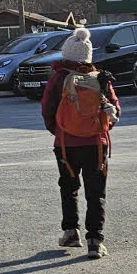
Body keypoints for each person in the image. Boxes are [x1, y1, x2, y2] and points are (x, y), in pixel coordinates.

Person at [40, 26, 121, 258]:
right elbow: (116, 109)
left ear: (66, 54)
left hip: (66, 144)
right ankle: (95, 240)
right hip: (96, 144)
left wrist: (60, 130)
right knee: (96, 192)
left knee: (69, 187)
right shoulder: (100, 78)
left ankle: (71, 232)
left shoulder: (59, 79)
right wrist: (101, 128)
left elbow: (47, 110)